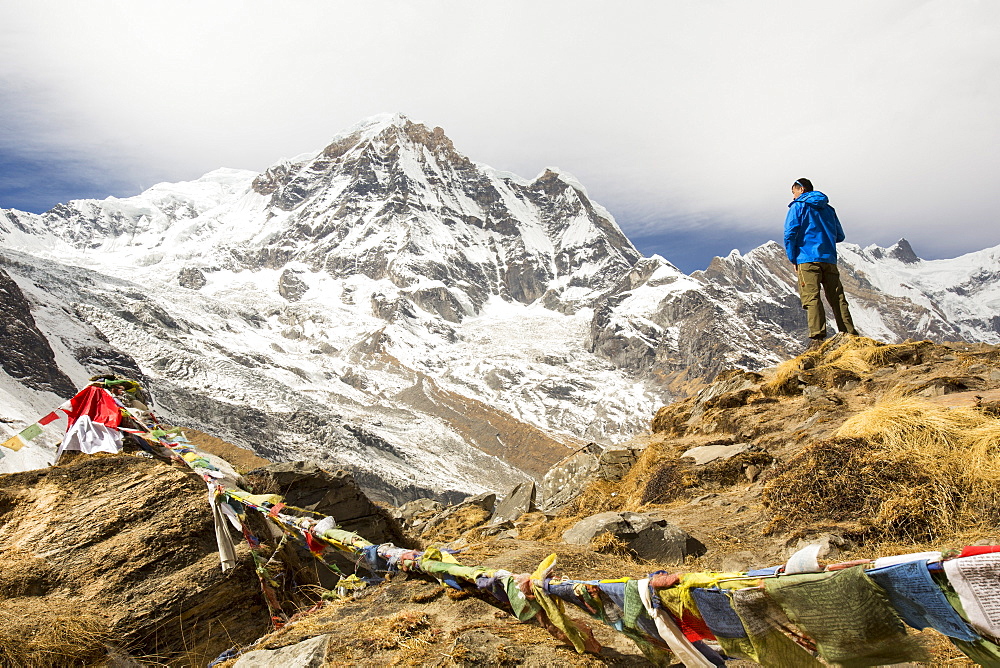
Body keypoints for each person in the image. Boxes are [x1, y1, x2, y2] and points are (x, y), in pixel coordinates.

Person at [784, 178, 858, 349]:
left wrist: (793, 257)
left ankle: (817, 337)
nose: (793, 196)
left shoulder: (798, 206)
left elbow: (790, 233)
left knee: (811, 296)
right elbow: (840, 235)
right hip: (829, 259)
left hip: (807, 258)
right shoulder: (828, 209)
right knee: (837, 297)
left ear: (800, 189)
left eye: (794, 191)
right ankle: (850, 335)